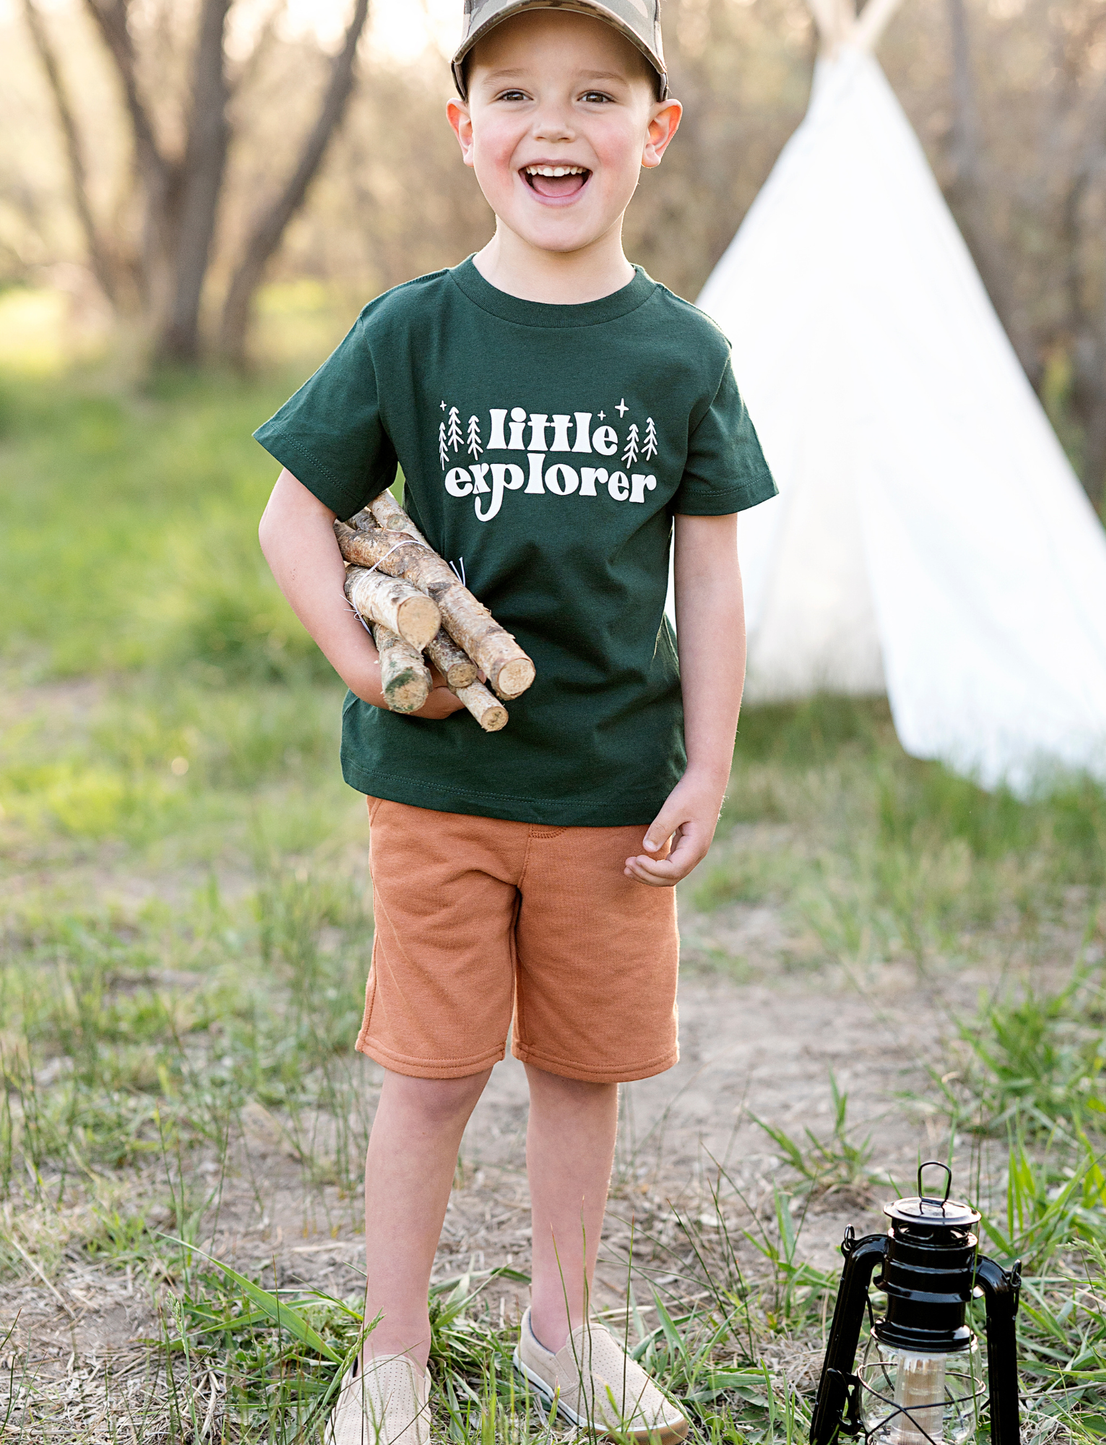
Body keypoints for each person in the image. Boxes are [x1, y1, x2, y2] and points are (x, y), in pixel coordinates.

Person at [255, 0, 775, 1439]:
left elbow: (712, 572)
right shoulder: (415, 328)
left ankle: (560, 1332)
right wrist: (367, 669)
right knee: (429, 1077)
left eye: (599, 95)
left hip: (609, 792)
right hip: (439, 790)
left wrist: (711, 762)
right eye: (517, 92)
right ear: (463, 125)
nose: (556, 125)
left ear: (654, 133)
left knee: (581, 1072)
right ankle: (392, 1355)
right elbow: (291, 518)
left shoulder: (681, 353)